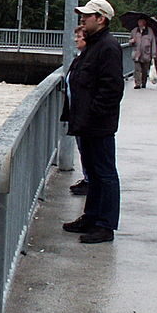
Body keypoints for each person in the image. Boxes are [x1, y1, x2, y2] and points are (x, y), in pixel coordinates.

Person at [61, 0, 124, 244]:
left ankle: (105, 226)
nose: (82, 20)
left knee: (105, 174)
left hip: (97, 125)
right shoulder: (94, 45)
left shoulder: (108, 47)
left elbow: (112, 89)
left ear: (101, 19)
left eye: (87, 16)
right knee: (94, 175)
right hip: (86, 124)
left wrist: (93, 114)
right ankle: (91, 217)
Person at [68, 26, 89, 196]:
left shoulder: (88, 58)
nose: (76, 39)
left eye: (79, 37)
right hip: (77, 113)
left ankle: (89, 181)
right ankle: (87, 178)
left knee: (87, 149)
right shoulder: (80, 57)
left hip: (84, 115)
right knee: (83, 149)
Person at [128, 17, 156, 89]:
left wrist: (153, 54)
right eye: (139, 22)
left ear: (144, 23)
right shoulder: (134, 31)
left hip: (146, 54)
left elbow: (153, 43)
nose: (140, 23)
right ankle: (137, 83)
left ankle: (144, 82)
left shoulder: (149, 31)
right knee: (137, 69)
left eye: (141, 22)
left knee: (144, 70)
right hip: (136, 54)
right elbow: (130, 41)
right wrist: (132, 41)